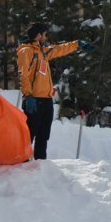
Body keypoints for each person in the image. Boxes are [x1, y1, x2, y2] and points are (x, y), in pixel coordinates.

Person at [16, 22, 94, 159]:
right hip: (33, 100)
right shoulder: (26, 51)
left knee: (43, 136)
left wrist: (77, 44)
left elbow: (59, 49)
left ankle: (40, 165)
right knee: (29, 135)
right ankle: (22, 164)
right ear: (38, 35)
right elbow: (23, 75)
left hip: (46, 100)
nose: (46, 37)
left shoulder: (43, 52)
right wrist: (28, 96)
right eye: (45, 34)